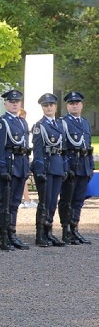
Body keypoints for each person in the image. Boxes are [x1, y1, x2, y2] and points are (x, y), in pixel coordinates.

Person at [0, 89, 31, 251]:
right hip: (8, 166)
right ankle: (4, 236)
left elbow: (25, 147)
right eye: (11, 101)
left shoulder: (23, 122)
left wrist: (26, 168)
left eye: (17, 101)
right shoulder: (2, 122)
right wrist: (1, 169)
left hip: (20, 166)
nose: (15, 104)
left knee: (15, 202)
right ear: (5, 103)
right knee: (6, 203)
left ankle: (12, 232)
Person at [30, 93, 67, 247]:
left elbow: (64, 148)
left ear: (56, 107)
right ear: (42, 108)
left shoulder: (60, 125)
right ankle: (40, 234)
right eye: (46, 105)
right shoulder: (39, 126)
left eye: (51, 105)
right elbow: (37, 150)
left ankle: (49, 231)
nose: (49, 107)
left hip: (57, 166)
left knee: (53, 202)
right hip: (46, 167)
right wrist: (39, 170)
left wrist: (65, 167)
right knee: (45, 201)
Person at [58, 91, 93, 244]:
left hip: (84, 165)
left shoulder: (84, 122)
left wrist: (90, 166)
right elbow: (62, 148)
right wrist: (66, 168)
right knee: (67, 199)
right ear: (67, 106)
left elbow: (88, 145)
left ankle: (74, 228)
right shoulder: (63, 122)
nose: (74, 105)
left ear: (81, 105)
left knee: (78, 200)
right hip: (71, 165)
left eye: (77, 103)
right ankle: (65, 229)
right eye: (71, 103)